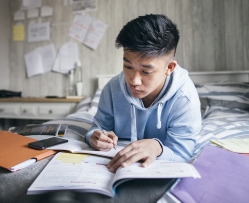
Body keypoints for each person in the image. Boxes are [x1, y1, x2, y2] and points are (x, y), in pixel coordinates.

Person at [84, 14, 201, 173]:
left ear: (169, 68)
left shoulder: (184, 98)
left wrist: (158, 147)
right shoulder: (112, 89)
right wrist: (94, 138)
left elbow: (183, 153)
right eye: (128, 66)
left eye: (146, 71)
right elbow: (97, 128)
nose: (134, 80)